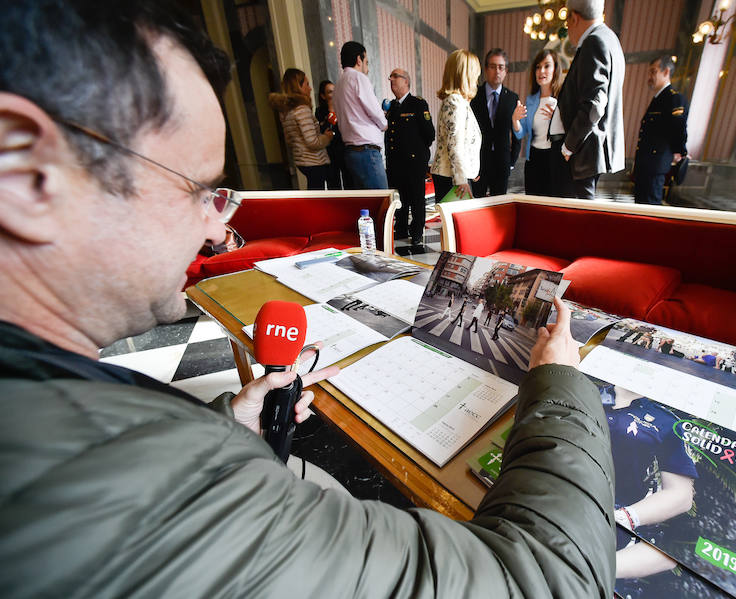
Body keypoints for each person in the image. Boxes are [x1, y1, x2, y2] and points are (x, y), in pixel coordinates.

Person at [1, 2, 617, 596]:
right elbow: (553, 580)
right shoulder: (147, 488)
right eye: (199, 190)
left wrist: (231, 427)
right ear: (26, 174)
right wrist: (561, 383)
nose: (218, 230)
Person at [603, 386, 697, 582]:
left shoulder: (666, 421)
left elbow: (681, 495)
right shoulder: (587, 390)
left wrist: (624, 517)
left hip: (608, 515)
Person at [552, 0, 625, 199]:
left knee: (578, 216)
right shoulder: (610, 38)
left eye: (567, 24)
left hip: (584, 150)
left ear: (574, 18)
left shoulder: (594, 41)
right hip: (594, 149)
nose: (568, 31)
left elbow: (594, 104)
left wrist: (569, 145)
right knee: (580, 213)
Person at [384, 68, 435, 247]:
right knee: (401, 199)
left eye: (395, 77)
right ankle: (402, 229)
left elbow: (430, 134)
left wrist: (418, 153)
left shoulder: (417, 104)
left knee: (416, 198)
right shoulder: (391, 107)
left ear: (406, 81)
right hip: (395, 163)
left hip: (414, 162)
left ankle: (416, 232)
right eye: (390, 77)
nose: (391, 79)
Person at [632, 54, 689, 205]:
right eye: (649, 72)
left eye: (653, 71)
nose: (650, 76)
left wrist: (680, 151)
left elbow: (679, 128)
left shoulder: (673, 99)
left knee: (649, 208)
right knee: (640, 208)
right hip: (645, 165)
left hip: (655, 166)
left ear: (666, 72)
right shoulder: (658, 98)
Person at [333, 41, 389, 189]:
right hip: (367, 151)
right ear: (359, 60)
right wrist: (384, 123)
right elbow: (374, 111)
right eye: (366, 62)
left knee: (365, 206)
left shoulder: (338, 85)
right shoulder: (358, 78)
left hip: (351, 152)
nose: (368, 69)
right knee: (382, 205)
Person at [470, 48, 524, 197]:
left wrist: (512, 161)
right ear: (486, 69)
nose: (497, 71)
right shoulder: (474, 95)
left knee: (499, 206)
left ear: (506, 70)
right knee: (477, 204)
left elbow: (517, 133)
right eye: (493, 66)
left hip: (502, 162)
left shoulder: (512, 98)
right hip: (479, 162)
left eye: (501, 67)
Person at [269, 69, 334, 190]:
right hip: (314, 161)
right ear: (298, 86)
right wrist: (327, 137)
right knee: (317, 200)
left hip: (302, 161)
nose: (310, 88)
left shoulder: (286, 111)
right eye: (307, 84)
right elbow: (312, 142)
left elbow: (289, 140)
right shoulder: (302, 110)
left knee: (314, 196)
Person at [431, 49, 482, 203]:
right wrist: (461, 179)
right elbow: (454, 145)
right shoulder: (455, 102)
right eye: (475, 74)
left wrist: (471, 170)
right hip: (453, 178)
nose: (477, 79)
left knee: (456, 225)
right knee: (456, 226)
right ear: (466, 75)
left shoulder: (458, 101)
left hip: (454, 175)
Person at [518, 49, 562, 197]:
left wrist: (558, 119)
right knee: (532, 206)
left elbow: (570, 130)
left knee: (551, 208)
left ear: (555, 68)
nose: (541, 71)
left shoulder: (561, 99)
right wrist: (515, 119)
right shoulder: (531, 100)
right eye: (538, 66)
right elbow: (521, 133)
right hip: (533, 159)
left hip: (554, 159)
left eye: (547, 66)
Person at [315, 79, 349, 190]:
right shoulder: (320, 112)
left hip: (344, 149)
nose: (334, 94)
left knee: (350, 182)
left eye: (335, 91)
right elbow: (325, 131)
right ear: (323, 96)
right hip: (329, 152)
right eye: (330, 92)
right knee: (333, 184)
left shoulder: (343, 108)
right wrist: (331, 110)